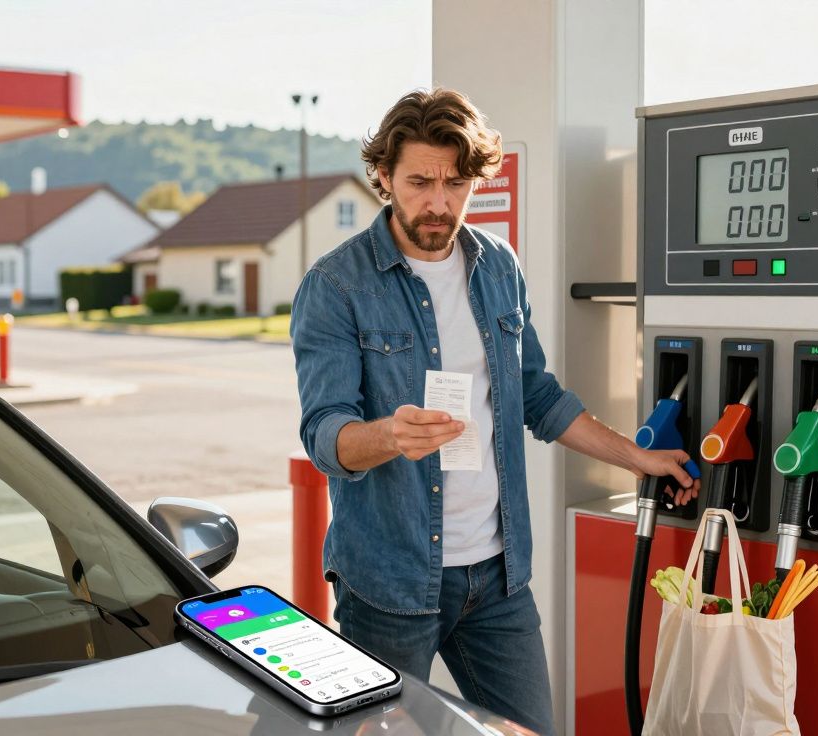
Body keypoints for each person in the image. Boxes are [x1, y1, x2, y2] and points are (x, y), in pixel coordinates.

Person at [290, 88, 698, 736]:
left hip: (496, 577)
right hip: (390, 585)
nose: (439, 202)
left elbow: (536, 394)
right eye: (420, 181)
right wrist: (390, 436)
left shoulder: (496, 267)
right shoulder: (337, 285)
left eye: (455, 183)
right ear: (383, 177)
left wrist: (638, 457)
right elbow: (324, 434)